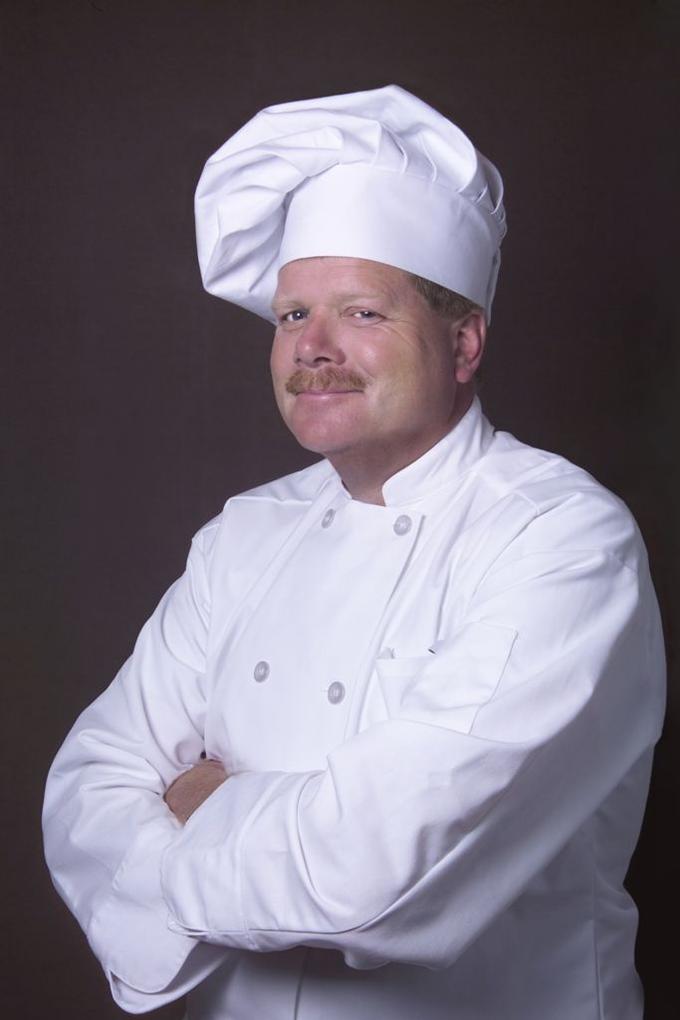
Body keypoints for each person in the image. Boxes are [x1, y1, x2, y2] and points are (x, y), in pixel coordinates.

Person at [42, 85, 665, 1020]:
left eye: (363, 313)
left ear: (464, 344)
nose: (314, 348)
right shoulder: (244, 534)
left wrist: (193, 808)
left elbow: (375, 872)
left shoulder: (564, 539)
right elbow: (85, 790)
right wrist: (293, 822)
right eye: (293, 315)